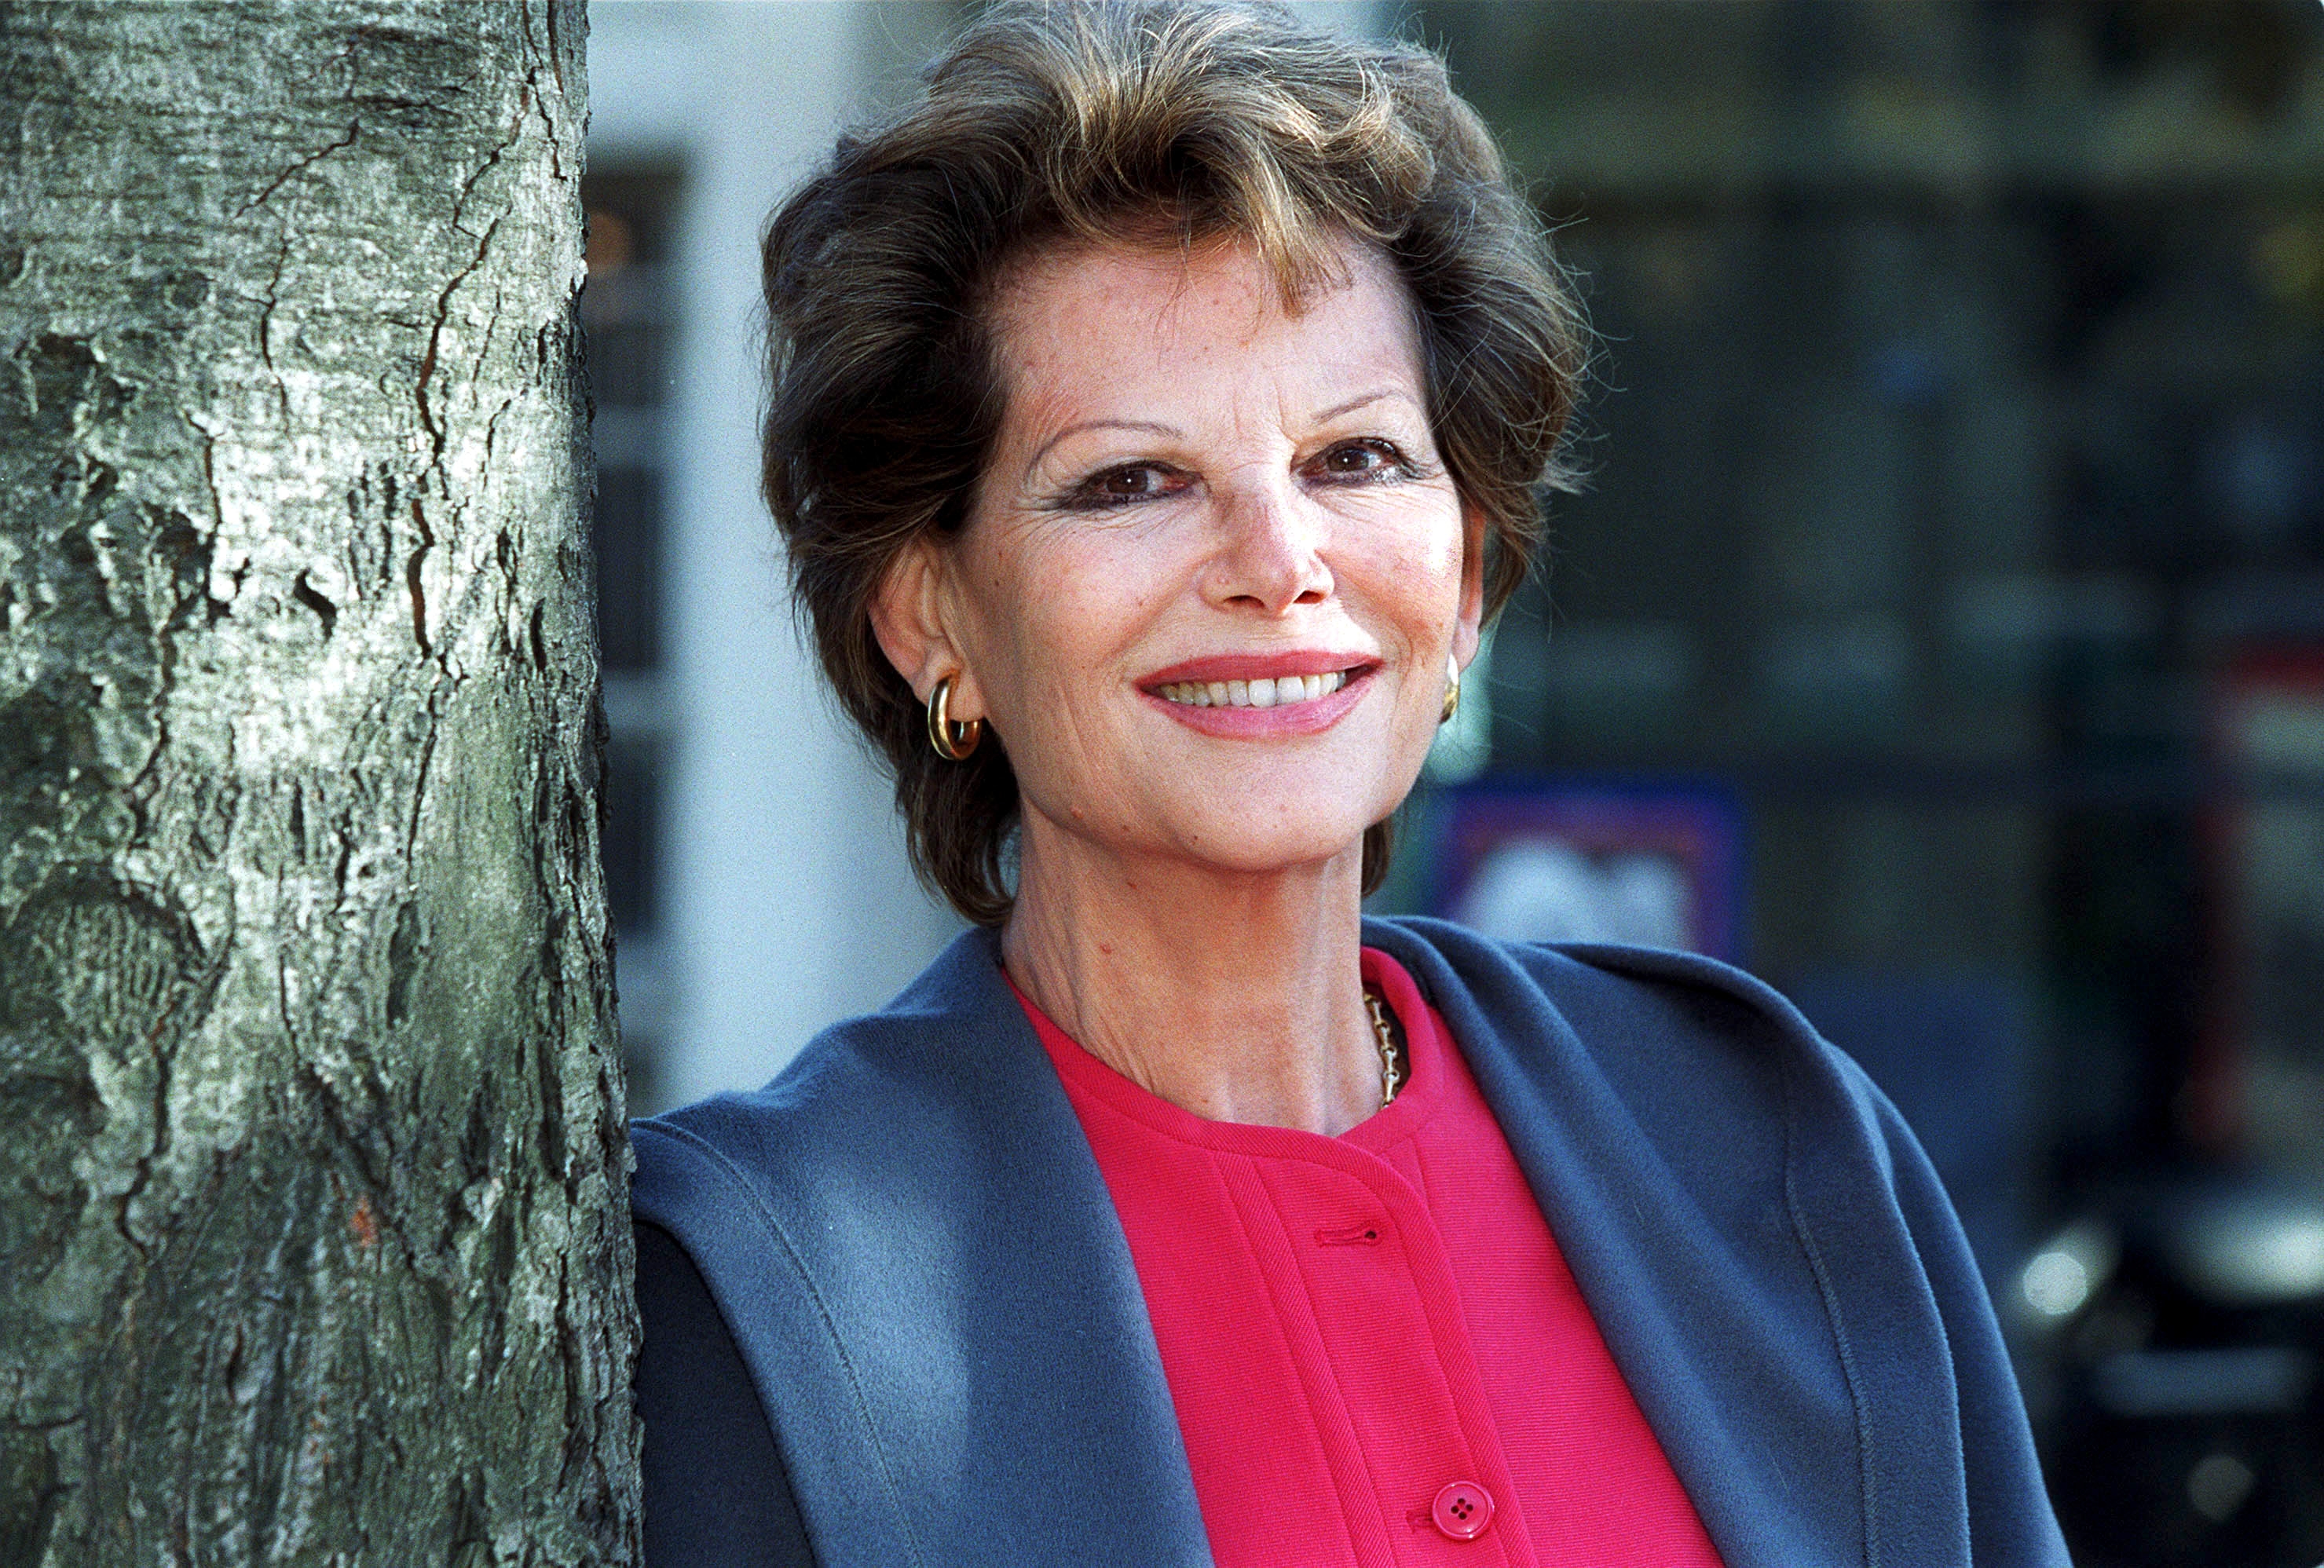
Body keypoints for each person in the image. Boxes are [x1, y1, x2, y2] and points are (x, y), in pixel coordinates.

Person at [629, 4, 2071, 1565]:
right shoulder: (754, 1299)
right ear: (933, 622)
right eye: (1132, 481)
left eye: (1356, 460)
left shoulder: (1778, 1150)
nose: (1276, 564)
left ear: (1461, 584)